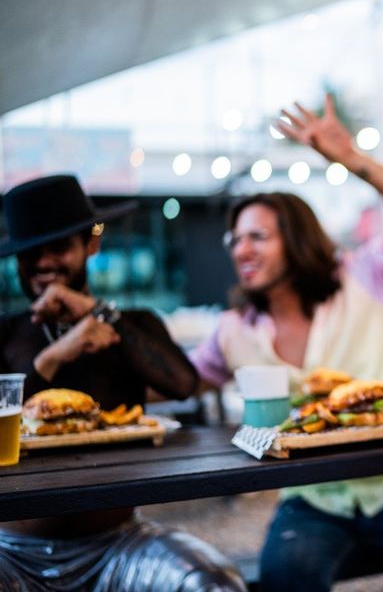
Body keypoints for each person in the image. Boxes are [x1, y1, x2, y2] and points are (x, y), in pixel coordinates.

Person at [190, 94, 383, 591]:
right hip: (307, 502)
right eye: (235, 239)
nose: (240, 248)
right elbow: (180, 381)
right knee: (283, 581)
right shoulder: (233, 329)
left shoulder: (361, 277)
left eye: (257, 237)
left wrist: (352, 160)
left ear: (294, 239)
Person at [0, 174, 246, 591]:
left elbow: (182, 383)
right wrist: (53, 357)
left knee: (214, 583)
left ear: (90, 245)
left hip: (120, 540)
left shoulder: (134, 324)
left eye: (58, 247)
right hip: (12, 546)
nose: (44, 263)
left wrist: (101, 315)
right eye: (30, 253)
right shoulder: (5, 334)